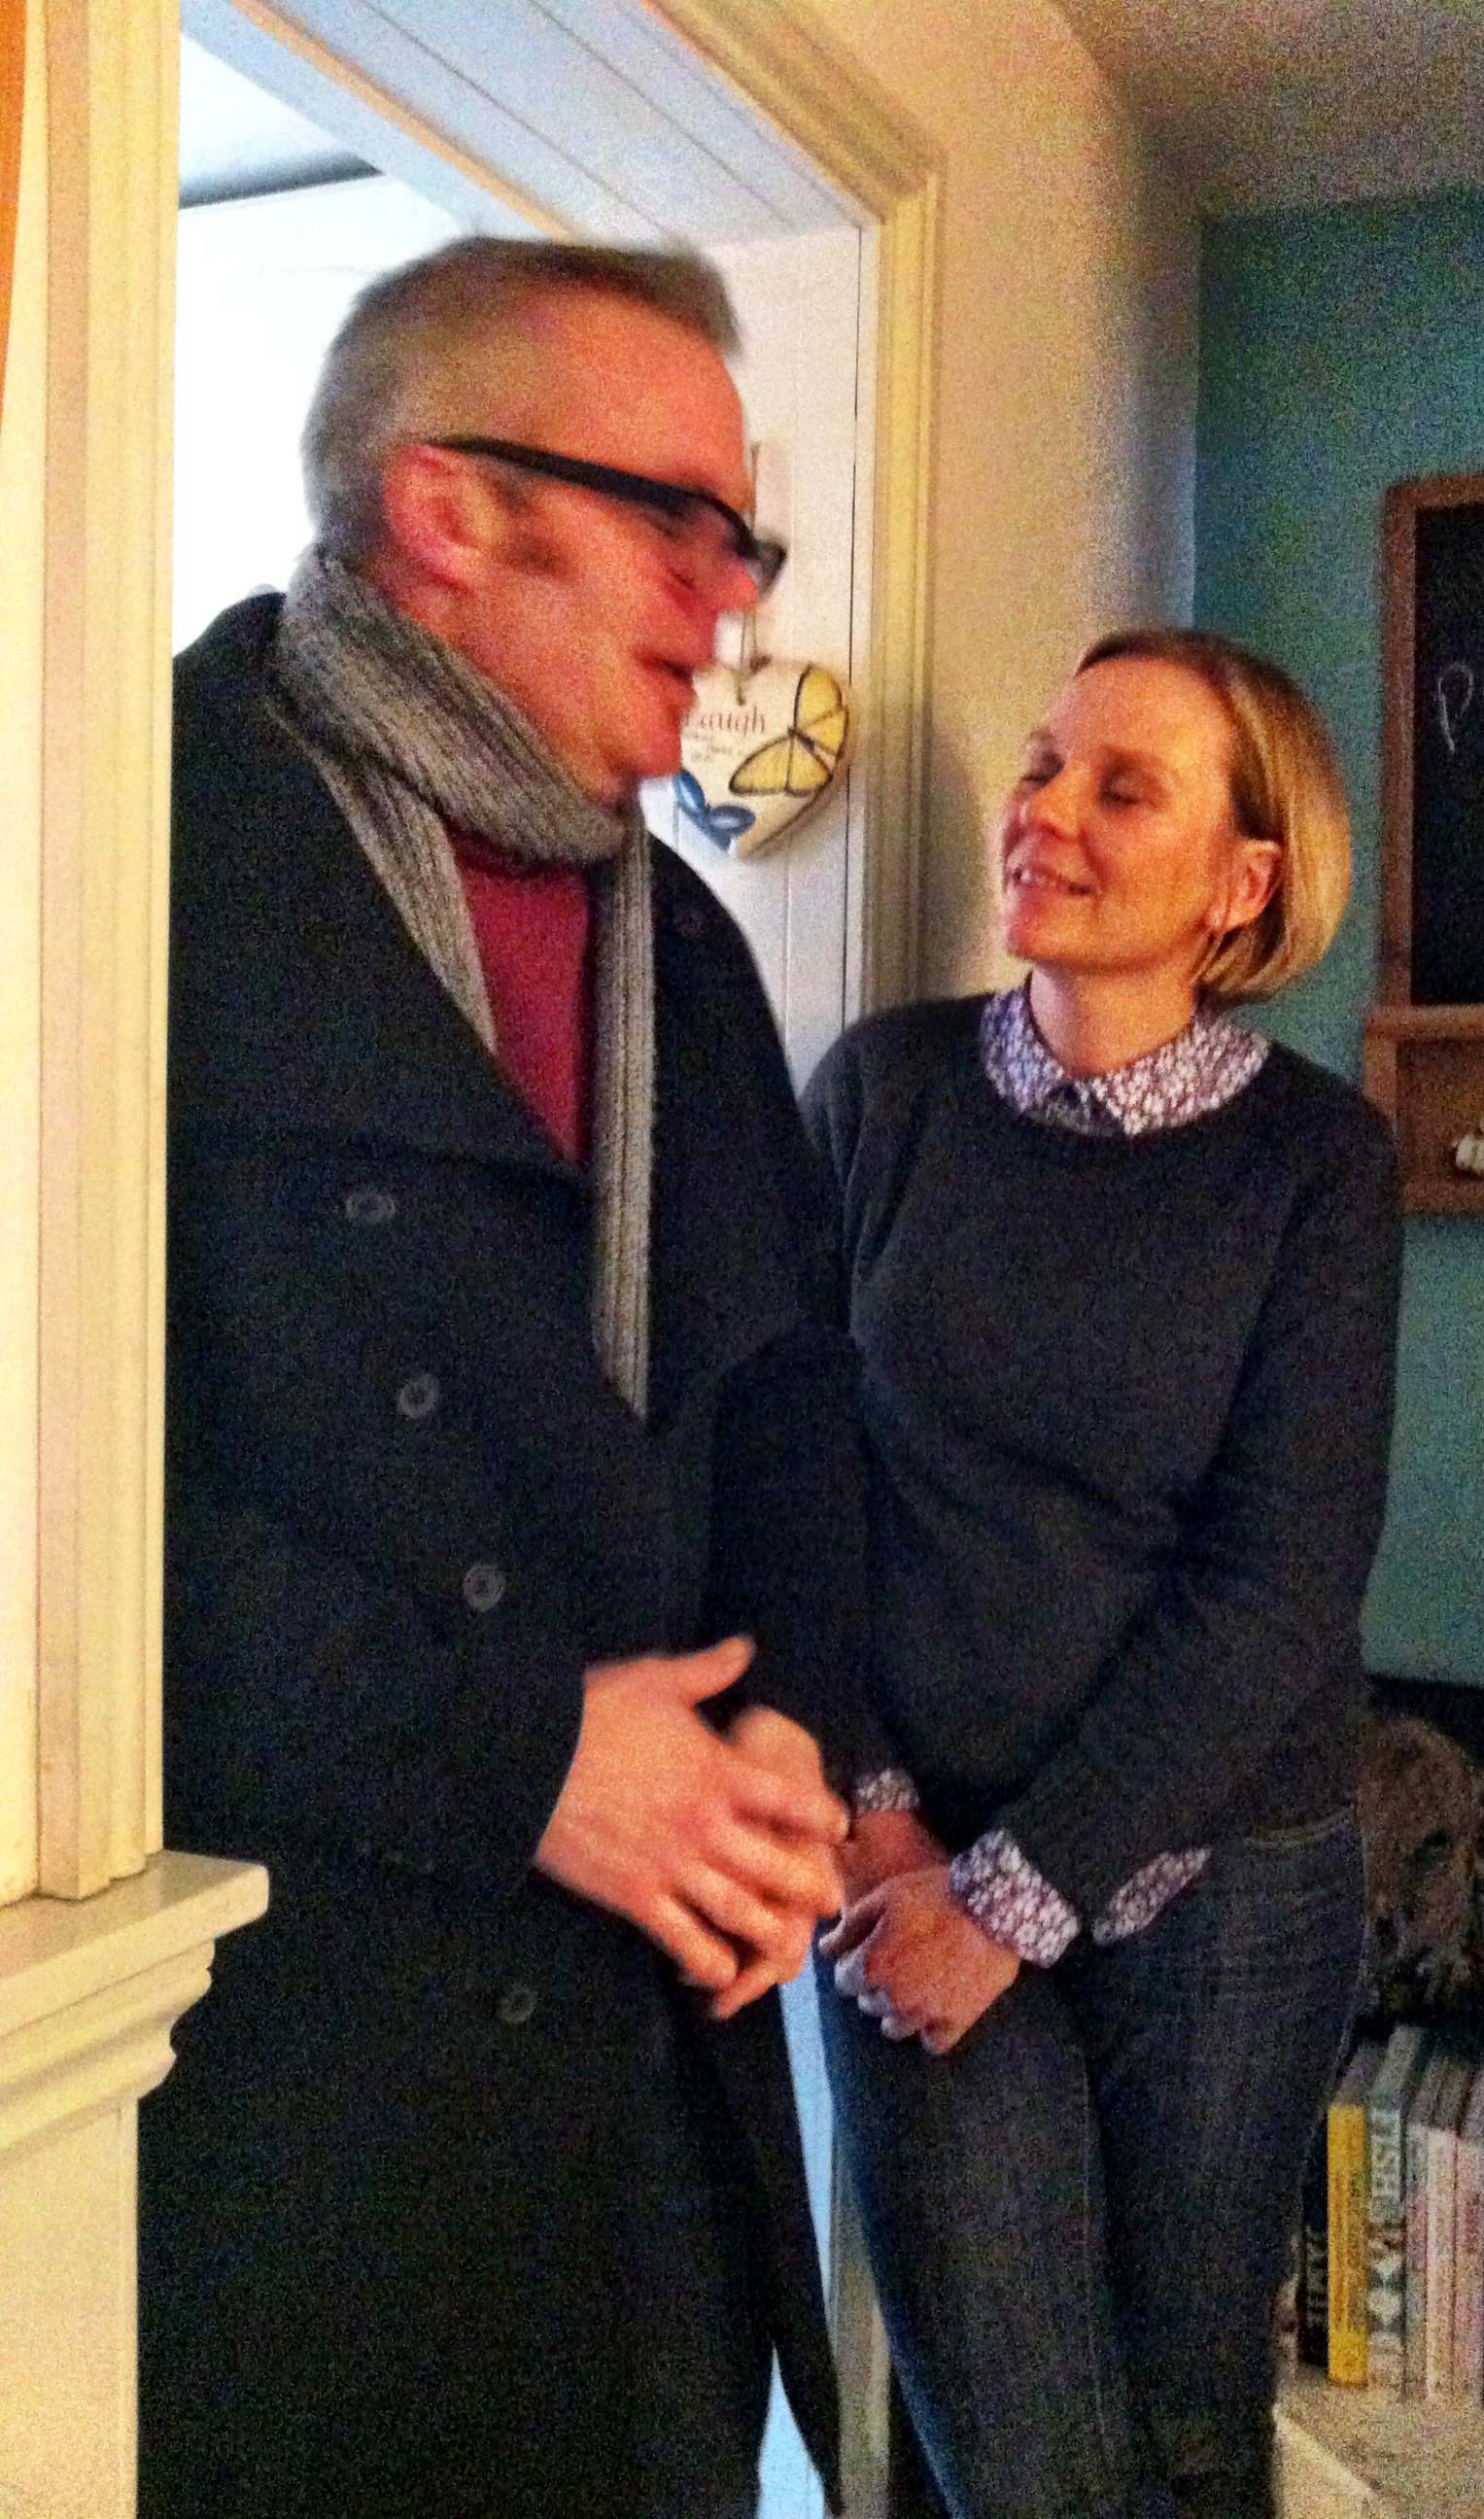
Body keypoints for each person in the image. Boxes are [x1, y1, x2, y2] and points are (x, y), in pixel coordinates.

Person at [144, 238, 871, 2519]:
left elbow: (788, 1407)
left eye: (743, 543)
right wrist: (523, 1757)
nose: (726, 602)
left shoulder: (689, 947)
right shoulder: (113, 855)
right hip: (292, 2096)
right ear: (448, 509)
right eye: (681, 526)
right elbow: (46, 1531)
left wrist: (785, 1746)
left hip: (646, 2101)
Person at [805, 630, 1403, 2519]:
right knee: (1009, 2444)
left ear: (1240, 884)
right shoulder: (883, 1093)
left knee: (1184, 2429)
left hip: (1220, 1881)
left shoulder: (1317, 1165)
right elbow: (789, 1482)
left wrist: (1017, 1892)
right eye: (1043, 763)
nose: (1044, 811)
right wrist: (880, 1824)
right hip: (902, 1856)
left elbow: (1279, 1580)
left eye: (1120, 788)